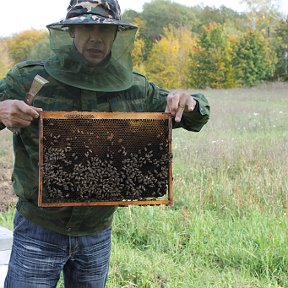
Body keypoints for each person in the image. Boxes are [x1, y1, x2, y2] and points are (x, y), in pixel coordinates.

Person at [0, 0, 210, 287]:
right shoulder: (29, 78)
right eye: (85, 28)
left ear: (116, 35)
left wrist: (190, 102)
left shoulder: (136, 89)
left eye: (104, 30)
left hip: (97, 233)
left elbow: (193, 115)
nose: (95, 37)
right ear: (71, 31)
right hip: (39, 230)